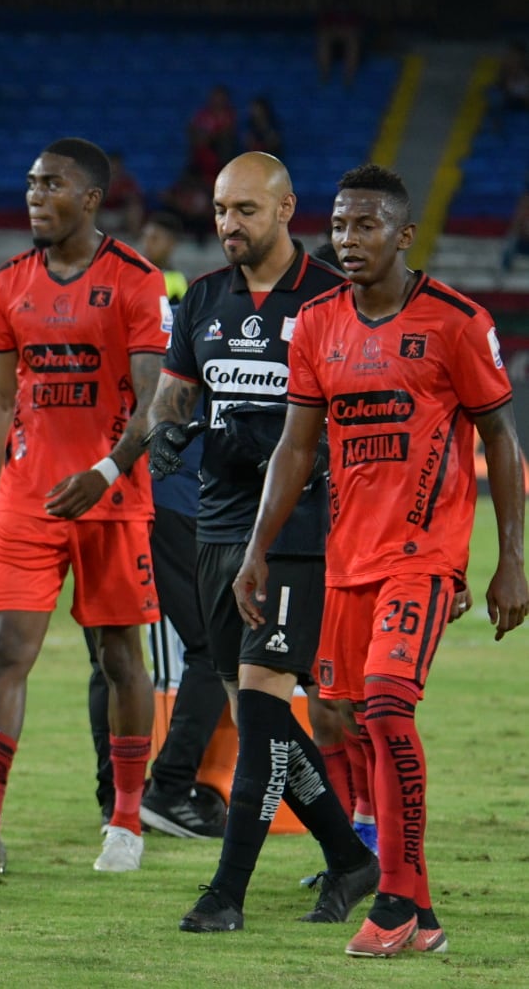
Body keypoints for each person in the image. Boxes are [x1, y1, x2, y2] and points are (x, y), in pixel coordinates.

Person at [235, 163, 527, 957]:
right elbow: (297, 446)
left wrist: (511, 559)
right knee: (347, 717)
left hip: (421, 558)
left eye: (365, 227)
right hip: (344, 564)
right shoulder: (320, 323)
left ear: (403, 236)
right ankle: (421, 916)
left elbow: (500, 438)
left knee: (390, 706)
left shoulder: (456, 322)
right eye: (338, 226)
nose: (348, 240)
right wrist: (257, 550)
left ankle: (395, 896)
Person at [148, 153, 379, 933]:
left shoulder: (331, 300)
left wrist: (275, 437)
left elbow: (349, 418)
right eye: (219, 210)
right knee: (263, 720)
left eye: (245, 209)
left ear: (285, 209)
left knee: (263, 704)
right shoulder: (203, 298)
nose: (228, 225)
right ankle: (351, 859)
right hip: (215, 525)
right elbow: (174, 395)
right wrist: (169, 433)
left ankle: (227, 894)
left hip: (296, 534)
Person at [0, 138, 165, 875]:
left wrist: (107, 468)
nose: (33, 195)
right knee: (6, 651)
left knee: (120, 657)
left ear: (90, 199)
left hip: (113, 497)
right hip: (30, 499)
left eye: (50, 184)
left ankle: (125, 820)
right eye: (29, 183)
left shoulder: (137, 281)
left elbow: (157, 401)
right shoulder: (8, 286)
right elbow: (3, 403)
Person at [79, 211, 223, 839]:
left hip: (110, 492)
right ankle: (164, 788)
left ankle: (118, 795)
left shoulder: (109, 307)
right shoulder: (196, 309)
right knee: (214, 650)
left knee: (110, 655)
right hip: (170, 497)